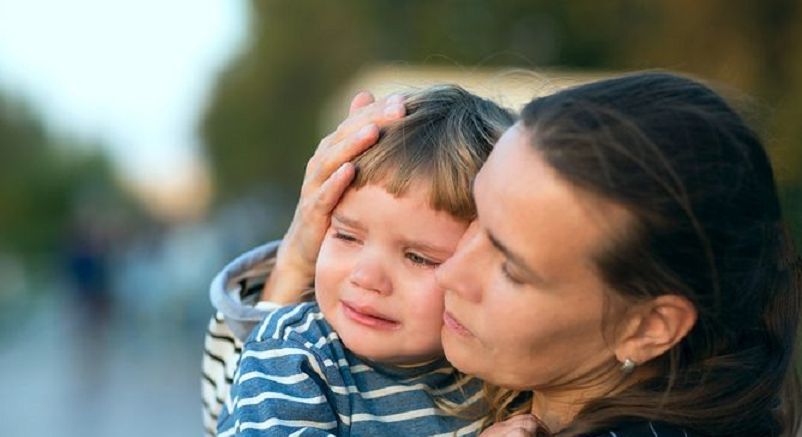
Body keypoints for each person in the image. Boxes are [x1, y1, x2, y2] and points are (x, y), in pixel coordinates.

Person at [207, 71, 802, 436]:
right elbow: (238, 413)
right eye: (476, 230)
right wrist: (293, 264)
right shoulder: (501, 370)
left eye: (509, 265)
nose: (455, 275)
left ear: (648, 327)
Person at [205, 85, 515, 436]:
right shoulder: (295, 356)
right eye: (347, 236)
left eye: (418, 257)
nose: (366, 277)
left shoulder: (502, 377)